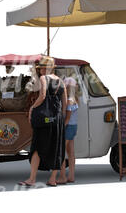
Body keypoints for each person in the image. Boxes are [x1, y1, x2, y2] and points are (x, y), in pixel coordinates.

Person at [19, 56, 67, 187]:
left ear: (46, 68)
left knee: (36, 148)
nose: (39, 71)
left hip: (44, 119)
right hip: (57, 119)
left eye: (41, 68)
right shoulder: (61, 82)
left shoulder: (43, 78)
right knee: (57, 148)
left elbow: (43, 96)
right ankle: (52, 179)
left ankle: (32, 179)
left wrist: (32, 108)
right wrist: (61, 119)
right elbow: (65, 103)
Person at [58, 76, 79, 184]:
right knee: (71, 152)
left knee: (61, 152)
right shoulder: (75, 99)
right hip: (73, 126)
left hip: (68, 127)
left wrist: (61, 127)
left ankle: (62, 177)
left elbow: (67, 117)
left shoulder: (69, 101)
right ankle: (71, 176)